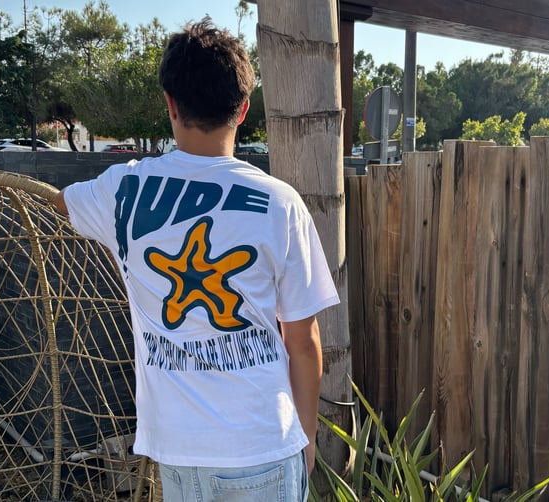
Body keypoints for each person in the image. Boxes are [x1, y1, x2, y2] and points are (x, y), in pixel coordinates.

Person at [52, 19, 339, 502]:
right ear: (243, 108)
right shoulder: (281, 203)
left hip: (178, 454)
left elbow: (58, 202)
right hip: (264, 446)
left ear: (170, 103)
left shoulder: (121, 189)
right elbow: (304, 342)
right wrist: (306, 439)